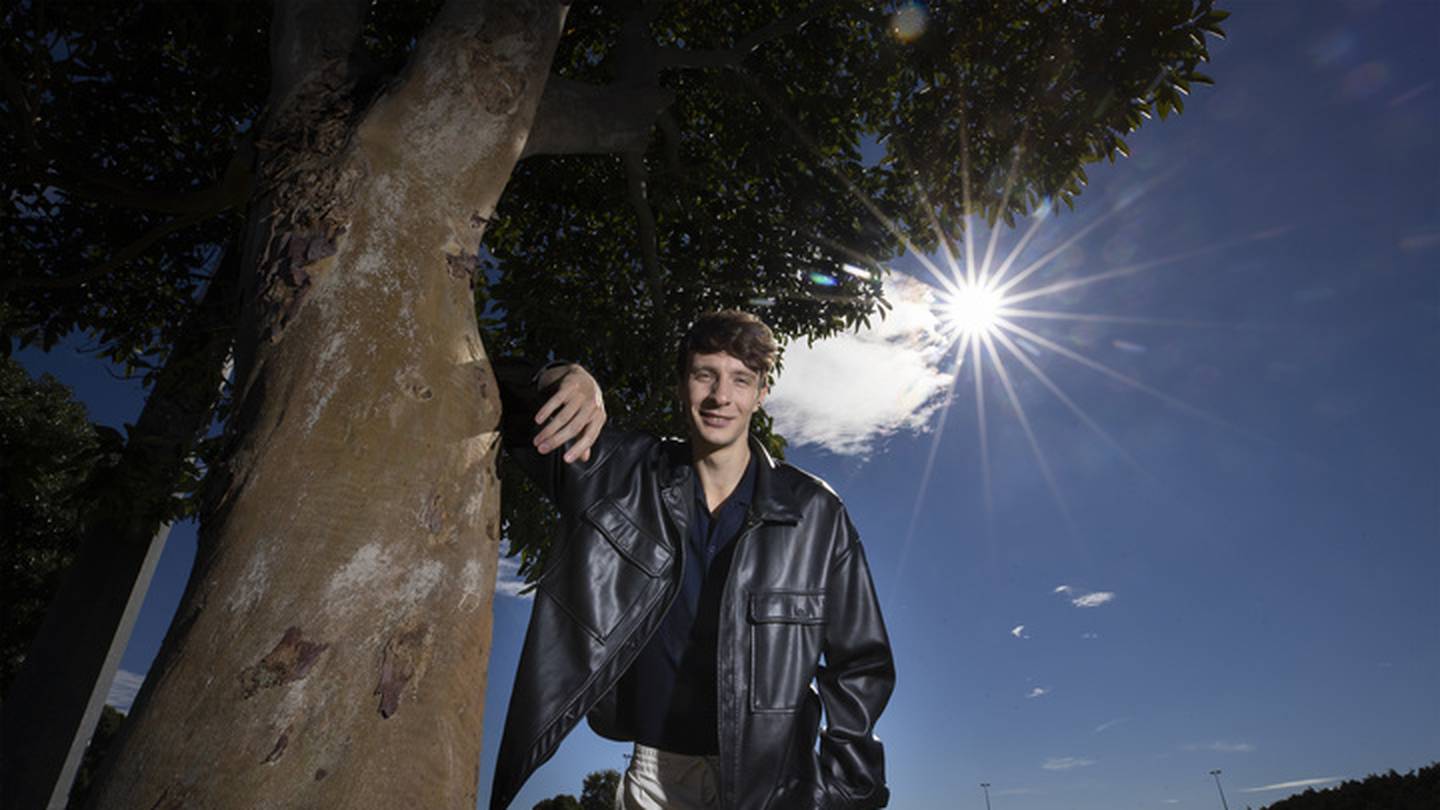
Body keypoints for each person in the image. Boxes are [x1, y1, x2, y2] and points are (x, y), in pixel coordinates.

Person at [490, 311, 894, 810]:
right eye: (705, 374)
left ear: (761, 393)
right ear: (683, 384)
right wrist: (562, 376)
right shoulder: (619, 476)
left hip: (775, 785)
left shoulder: (815, 513)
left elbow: (862, 664)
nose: (721, 396)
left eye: (740, 380)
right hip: (657, 777)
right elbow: (494, 395)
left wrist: (843, 788)